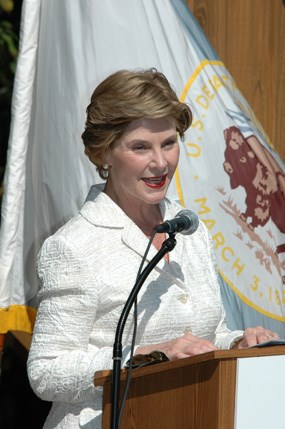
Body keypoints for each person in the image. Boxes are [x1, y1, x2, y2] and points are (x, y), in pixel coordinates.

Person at [27, 68, 280, 428]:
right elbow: (46, 372)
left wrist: (238, 342)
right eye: (140, 147)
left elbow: (205, 335)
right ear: (104, 153)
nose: (160, 163)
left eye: (169, 142)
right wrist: (144, 356)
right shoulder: (73, 246)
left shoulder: (189, 227)